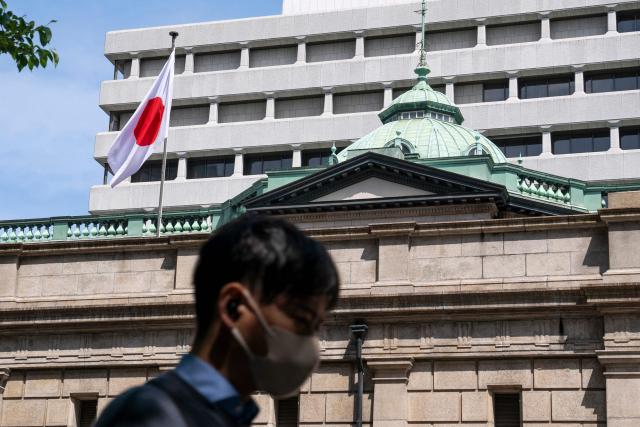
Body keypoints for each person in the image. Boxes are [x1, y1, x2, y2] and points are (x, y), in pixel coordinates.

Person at [95, 214, 340, 427]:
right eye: (301, 319)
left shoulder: (216, 415)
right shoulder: (152, 414)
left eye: (315, 328)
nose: (311, 344)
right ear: (234, 307)